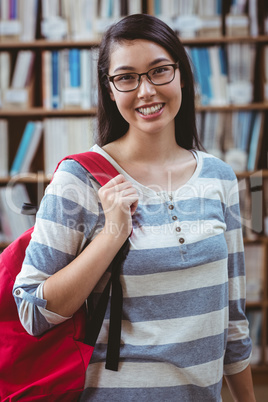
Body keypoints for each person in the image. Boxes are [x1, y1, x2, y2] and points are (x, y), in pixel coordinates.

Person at [13, 13, 256, 402]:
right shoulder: (80, 179)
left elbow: (233, 322)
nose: (145, 91)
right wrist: (111, 234)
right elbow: (32, 311)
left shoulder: (219, 177)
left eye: (159, 71)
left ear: (181, 75)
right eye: (126, 77)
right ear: (110, 90)